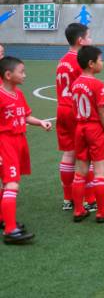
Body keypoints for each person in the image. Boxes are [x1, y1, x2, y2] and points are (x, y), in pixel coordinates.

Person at [0, 56, 53, 243]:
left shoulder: (19, 94)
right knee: (12, 183)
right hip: (5, 142)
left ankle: (4, 219)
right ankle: (10, 230)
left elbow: (25, 116)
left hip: (19, 141)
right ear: (8, 75)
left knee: (9, 183)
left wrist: (40, 122)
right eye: (21, 71)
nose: (25, 75)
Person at [70, 46, 104, 224]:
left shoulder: (75, 83)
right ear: (91, 64)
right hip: (94, 129)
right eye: (100, 60)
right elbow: (102, 112)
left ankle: (78, 210)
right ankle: (102, 212)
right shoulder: (97, 84)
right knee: (99, 171)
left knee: (80, 172)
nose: (102, 62)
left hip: (80, 128)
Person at [56, 23, 94, 212]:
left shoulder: (62, 60)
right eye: (89, 36)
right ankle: (89, 198)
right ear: (81, 40)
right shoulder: (79, 61)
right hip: (74, 110)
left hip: (61, 108)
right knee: (86, 154)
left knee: (68, 152)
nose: (91, 39)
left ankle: (67, 198)